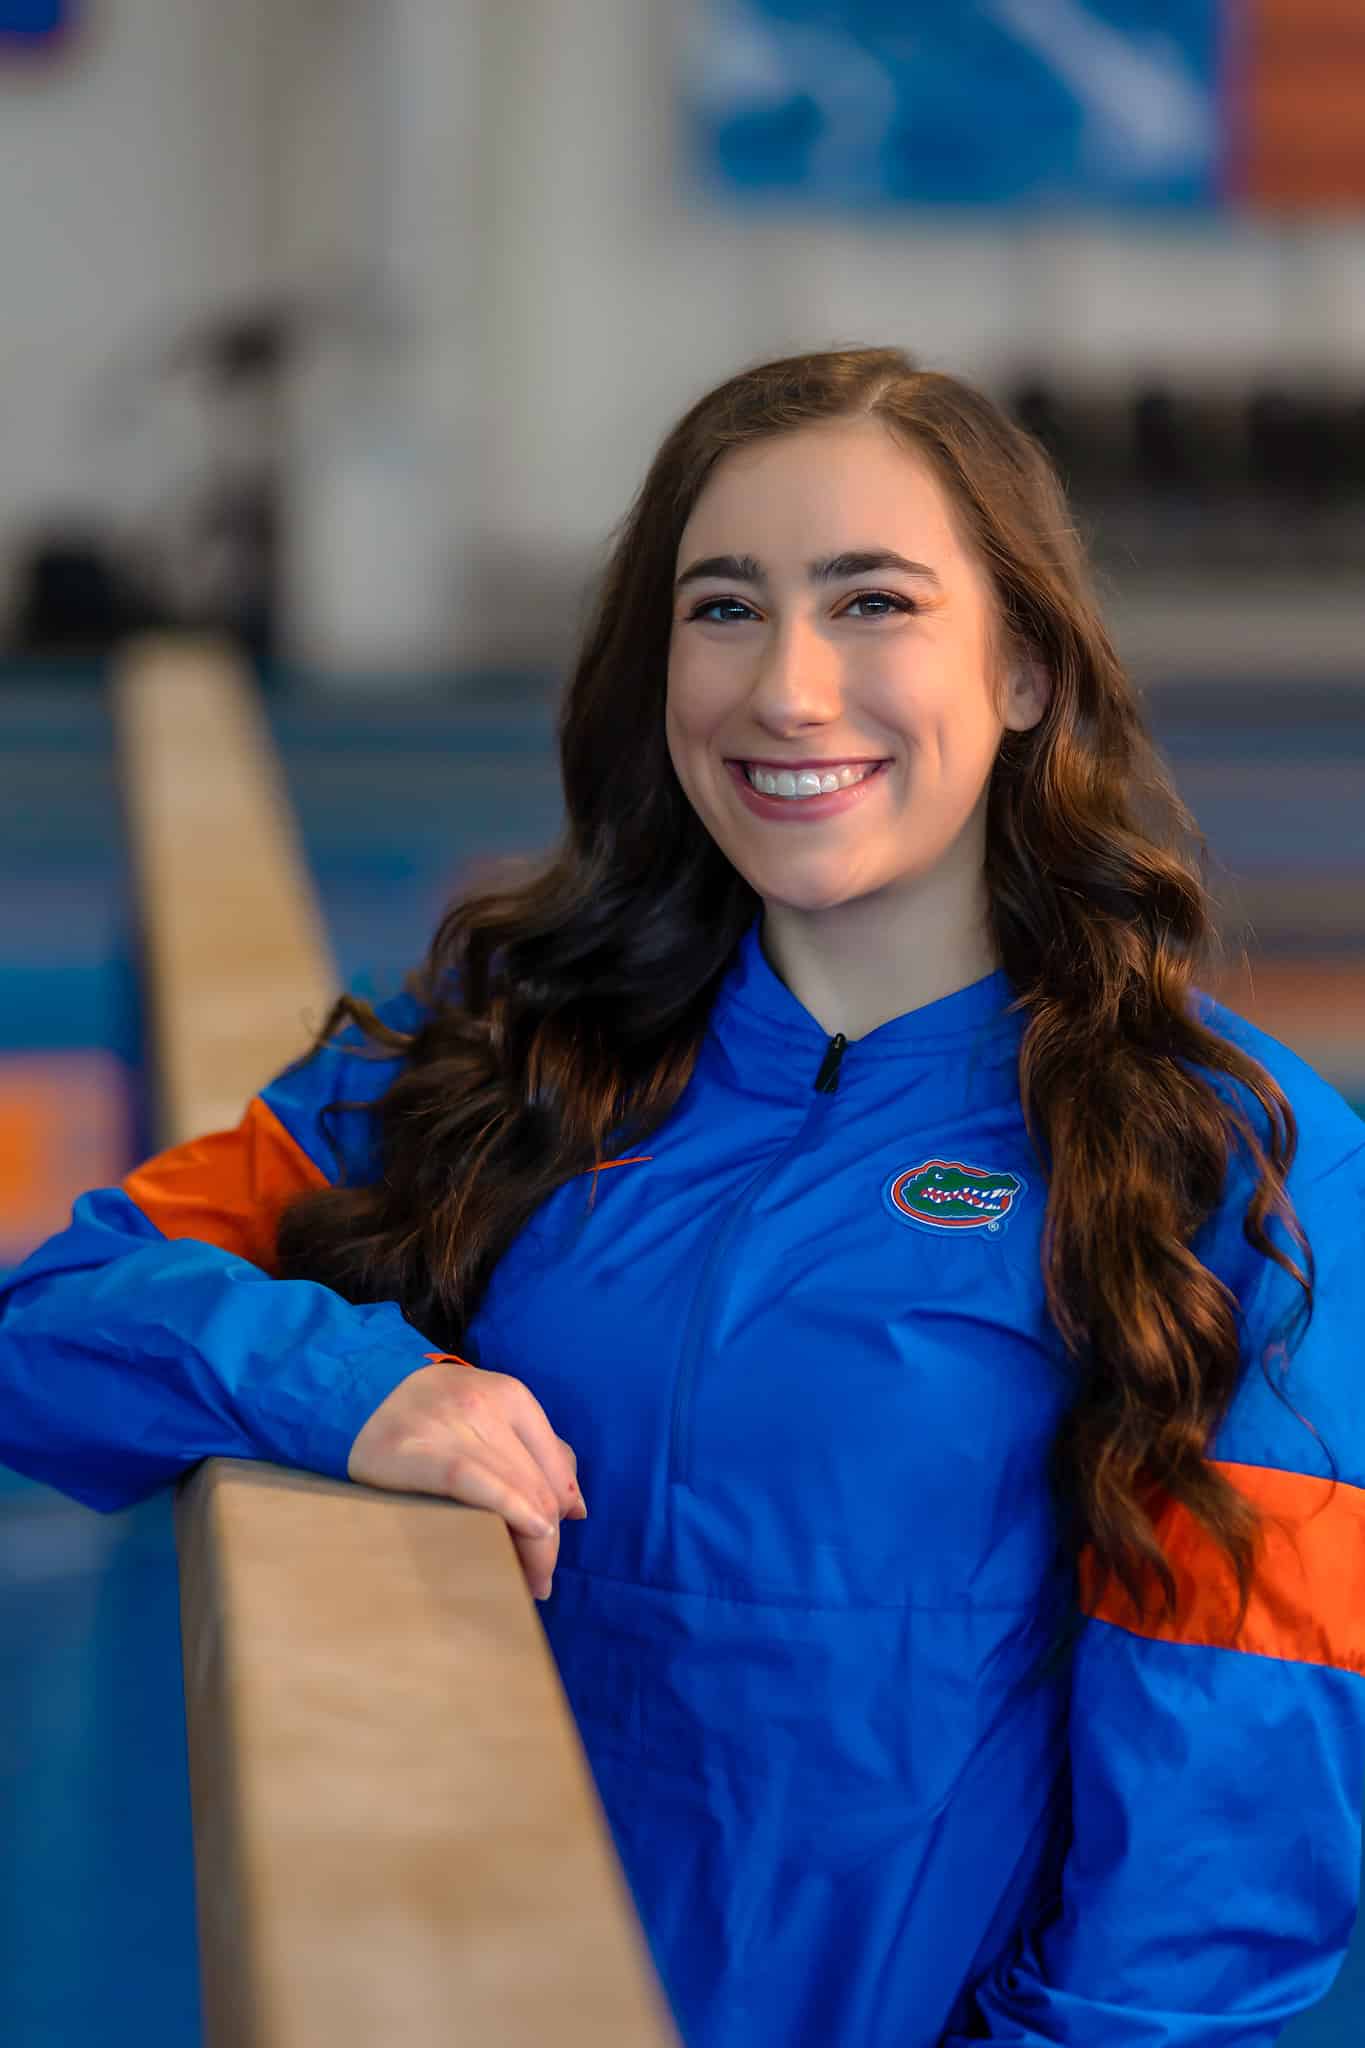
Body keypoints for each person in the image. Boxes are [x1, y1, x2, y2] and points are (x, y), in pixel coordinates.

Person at [3, 346, 1363, 2047]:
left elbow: (1216, 1856)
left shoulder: (1230, 1164)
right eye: (724, 609)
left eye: (872, 603)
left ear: (1021, 664)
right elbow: (49, 1321)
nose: (786, 689)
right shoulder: (495, 1053)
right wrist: (360, 1390)